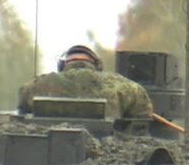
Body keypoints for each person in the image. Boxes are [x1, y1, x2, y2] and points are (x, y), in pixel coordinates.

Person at [18, 44, 153, 119]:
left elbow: (23, 105)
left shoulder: (37, 86)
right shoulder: (121, 85)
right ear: (97, 65)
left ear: (63, 65)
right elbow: (143, 115)